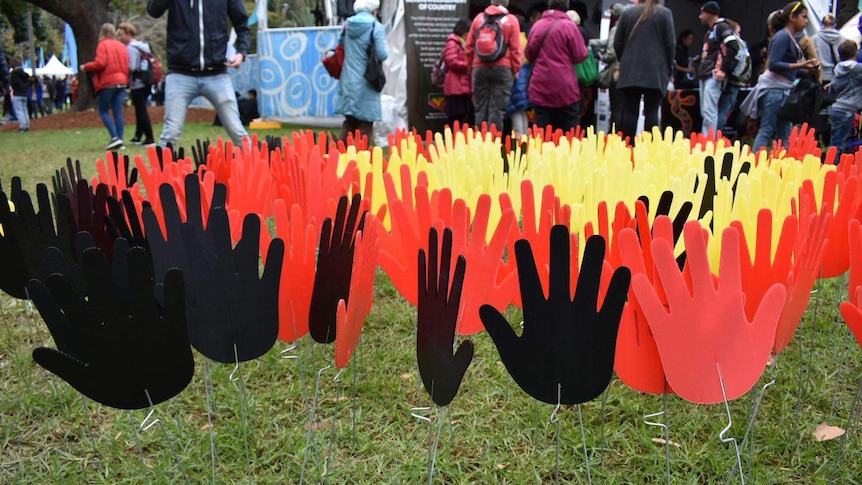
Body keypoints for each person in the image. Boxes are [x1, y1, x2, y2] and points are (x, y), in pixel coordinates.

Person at [147, 0, 250, 148]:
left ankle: (256, 168)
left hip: (217, 74)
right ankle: (163, 170)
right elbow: (153, 10)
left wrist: (241, 52)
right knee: (171, 132)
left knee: (236, 130)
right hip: (180, 73)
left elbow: (242, 25)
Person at [745, 1, 819, 152]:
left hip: (783, 89)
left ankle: (782, 164)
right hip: (774, 90)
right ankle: (754, 163)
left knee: (785, 131)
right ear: (792, 17)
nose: (806, 21)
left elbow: (788, 69)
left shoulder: (788, 37)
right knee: (768, 129)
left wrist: (807, 69)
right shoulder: (782, 36)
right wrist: (801, 65)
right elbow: (774, 64)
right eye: (804, 17)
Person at [613, 0, 674, 141]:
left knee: (629, 110)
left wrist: (626, 60)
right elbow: (670, 44)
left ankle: (627, 148)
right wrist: (668, 69)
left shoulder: (628, 13)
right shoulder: (665, 13)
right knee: (652, 111)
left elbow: (617, 42)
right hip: (655, 70)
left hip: (630, 70)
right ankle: (650, 150)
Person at [525, 0, 587, 133]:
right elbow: (581, 55)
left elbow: (528, 55)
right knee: (570, 135)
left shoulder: (537, 26)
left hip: (540, 87)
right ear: (566, 7)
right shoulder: (569, 26)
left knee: (542, 134)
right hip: (565, 89)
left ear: (549, 6)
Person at [333, 0, 389, 143]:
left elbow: (340, 47)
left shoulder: (346, 25)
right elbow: (382, 54)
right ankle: (359, 158)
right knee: (366, 123)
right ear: (374, 8)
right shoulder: (375, 26)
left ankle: (339, 155)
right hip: (367, 80)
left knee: (350, 121)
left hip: (348, 78)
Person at [465, 0, 522, 132]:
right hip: (503, 69)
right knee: (497, 110)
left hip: (479, 68)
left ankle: (480, 144)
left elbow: (468, 48)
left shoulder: (478, 19)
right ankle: (493, 146)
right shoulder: (511, 20)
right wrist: (515, 71)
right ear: (506, 3)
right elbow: (516, 50)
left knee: (479, 109)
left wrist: (471, 69)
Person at [81, 23, 130, 150]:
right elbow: (126, 64)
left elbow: (100, 63)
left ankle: (114, 137)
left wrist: (86, 67)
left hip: (108, 82)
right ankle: (120, 139)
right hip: (122, 81)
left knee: (103, 110)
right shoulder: (121, 46)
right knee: (118, 111)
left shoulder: (103, 45)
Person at [696, 1, 739, 136]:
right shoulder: (712, 30)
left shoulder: (722, 27)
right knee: (706, 111)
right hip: (707, 74)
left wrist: (723, 70)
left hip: (714, 74)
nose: (700, 16)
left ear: (709, 13)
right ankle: (707, 140)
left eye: (702, 13)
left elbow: (733, 46)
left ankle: (708, 144)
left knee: (709, 111)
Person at [118, 22, 156, 146]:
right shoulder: (142, 47)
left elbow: (132, 66)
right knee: (140, 108)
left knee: (141, 110)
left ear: (128, 34)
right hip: (146, 81)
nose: (121, 37)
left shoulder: (130, 48)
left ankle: (149, 137)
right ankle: (138, 136)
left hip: (137, 82)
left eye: (122, 34)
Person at [829, 40, 862, 155]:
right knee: (840, 143)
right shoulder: (857, 69)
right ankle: (833, 167)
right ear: (856, 53)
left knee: (836, 140)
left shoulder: (837, 69)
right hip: (849, 110)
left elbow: (832, 89)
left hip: (836, 108)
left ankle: (833, 163)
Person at [715, 19, 748, 133]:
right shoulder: (738, 43)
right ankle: (716, 136)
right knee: (723, 110)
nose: (739, 35)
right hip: (736, 80)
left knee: (718, 110)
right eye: (738, 32)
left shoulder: (725, 43)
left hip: (725, 79)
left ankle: (712, 136)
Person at [443, 18, 474, 128]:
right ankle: (449, 141)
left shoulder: (464, 44)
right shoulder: (453, 43)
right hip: (456, 88)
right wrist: (469, 65)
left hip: (463, 87)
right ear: (463, 31)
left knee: (463, 116)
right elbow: (452, 61)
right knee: (455, 117)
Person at [814, 14, 846, 84]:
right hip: (838, 75)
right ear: (834, 24)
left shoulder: (814, 39)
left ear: (822, 24)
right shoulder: (843, 39)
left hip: (821, 75)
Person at [9, 58, 30, 132]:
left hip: (17, 94)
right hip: (24, 94)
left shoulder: (13, 74)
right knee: (24, 110)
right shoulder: (25, 74)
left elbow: (12, 83)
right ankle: (26, 125)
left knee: (19, 111)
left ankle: (22, 126)